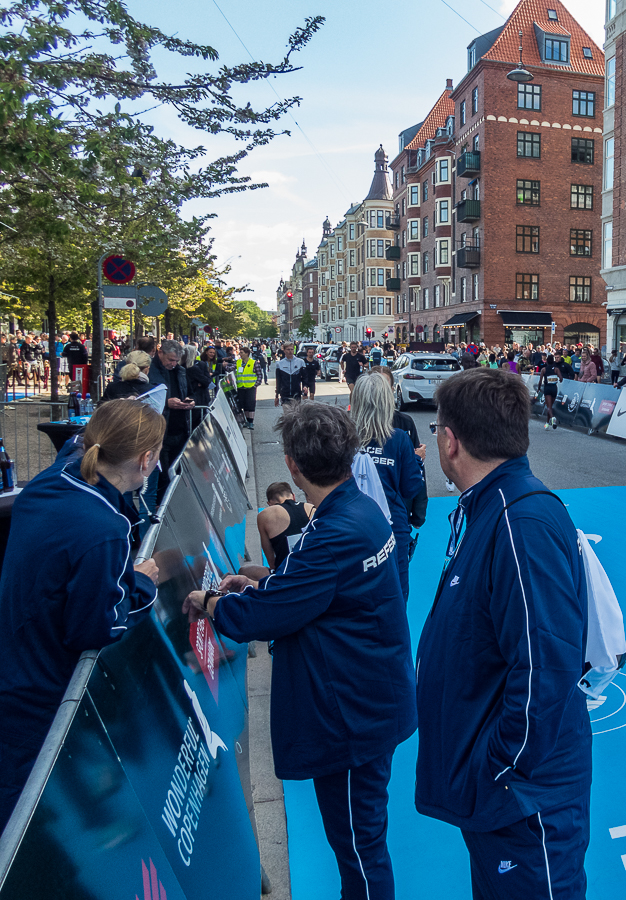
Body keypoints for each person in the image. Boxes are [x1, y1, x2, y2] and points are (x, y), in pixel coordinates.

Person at [184, 402, 416, 900]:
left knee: (358, 846)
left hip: (355, 717)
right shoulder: (357, 509)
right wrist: (255, 583)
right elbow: (310, 590)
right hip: (369, 698)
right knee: (358, 842)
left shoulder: (333, 533)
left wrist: (210, 601)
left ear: (291, 464)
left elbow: (264, 618)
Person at [416, 368, 589, 898]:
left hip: (521, 798)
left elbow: (544, 665)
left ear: (450, 440)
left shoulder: (520, 521)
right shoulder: (491, 507)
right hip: (501, 791)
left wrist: (500, 769)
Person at [0, 400, 163, 829]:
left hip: (16, 655)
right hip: (40, 687)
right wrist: (143, 583)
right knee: (21, 809)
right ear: (146, 460)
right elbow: (95, 628)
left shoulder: (54, 480)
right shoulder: (104, 530)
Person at [349, 374, 424, 601]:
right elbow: (411, 488)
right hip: (390, 524)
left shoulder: (342, 437)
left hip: (349, 525)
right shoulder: (399, 439)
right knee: (396, 594)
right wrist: (416, 460)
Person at [147, 339, 195, 508]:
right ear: (160, 353)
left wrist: (190, 402)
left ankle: (174, 506)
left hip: (179, 428)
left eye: (176, 360)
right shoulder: (150, 370)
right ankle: (162, 509)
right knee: (163, 475)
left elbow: (189, 391)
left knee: (177, 472)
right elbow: (145, 397)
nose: (173, 364)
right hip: (161, 431)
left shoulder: (180, 371)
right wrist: (166, 403)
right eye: (170, 359)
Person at [239, 481, 315, 581]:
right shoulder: (311, 508)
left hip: (287, 576)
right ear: (293, 496)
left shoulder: (265, 515)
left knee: (244, 572)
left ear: (269, 504)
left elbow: (270, 559)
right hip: (315, 569)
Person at [539, 351, 571, 428]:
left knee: (548, 407)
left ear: (546, 361)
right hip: (554, 388)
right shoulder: (556, 369)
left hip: (547, 389)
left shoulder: (544, 369)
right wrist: (556, 379)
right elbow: (561, 379)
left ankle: (553, 418)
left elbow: (540, 381)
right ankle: (547, 423)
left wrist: (539, 388)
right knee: (550, 406)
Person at [235, 345, 259, 429]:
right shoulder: (238, 362)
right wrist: (224, 366)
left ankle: (251, 421)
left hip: (250, 387)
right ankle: (246, 421)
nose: (240, 354)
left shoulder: (253, 363)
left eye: (241, 353)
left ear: (247, 353)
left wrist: (256, 384)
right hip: (241, 387)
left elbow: (259, 375)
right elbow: (231, 368)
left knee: (251, 404)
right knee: (244, 404)